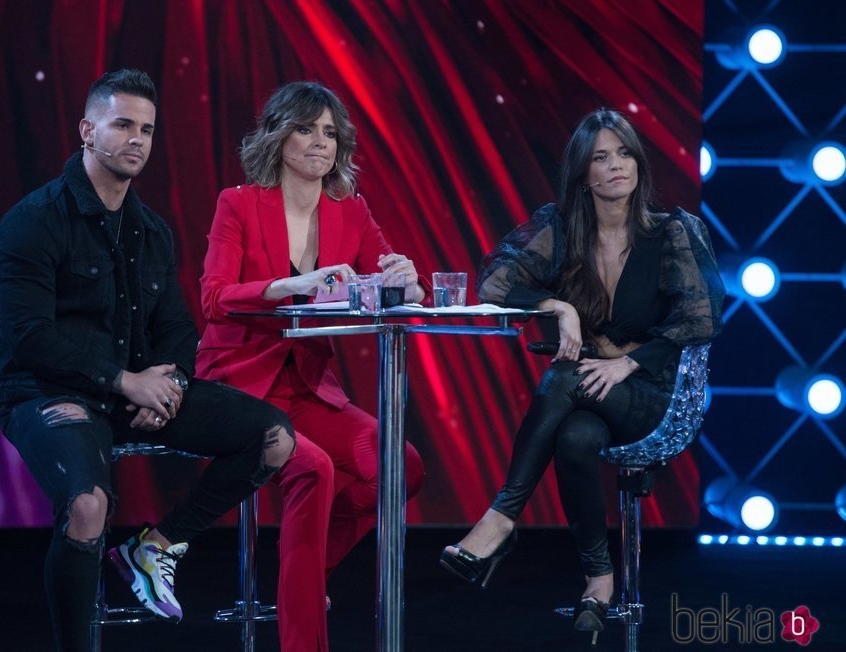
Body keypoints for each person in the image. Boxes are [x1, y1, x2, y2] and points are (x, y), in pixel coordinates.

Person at [0, 69, 295, 651]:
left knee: (275, 438)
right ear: (87, 130)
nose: (137, 140)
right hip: (46, 390)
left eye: (147, 130)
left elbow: (176, 326)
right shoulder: (33, 221)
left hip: (132, 389)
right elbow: (27, 336)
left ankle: (155, 546)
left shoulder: (151, 229)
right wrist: (125, 381)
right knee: (86, 504)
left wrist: (170, 384)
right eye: (123, 124)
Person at [439, 108, 723, 638]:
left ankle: (501, 518)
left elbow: (703, 317)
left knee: (566, 375)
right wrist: (558, 307)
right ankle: (598, 579)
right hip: (593, 395)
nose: (616, 165)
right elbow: (494, 282)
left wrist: (628, 362)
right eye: (600, 157)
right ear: (583, 174)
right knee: (573, 438)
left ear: (638, 162)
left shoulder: (674, 232)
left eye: (624, 153)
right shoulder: (561, 228)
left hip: (657, 397)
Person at [197, 81, 428, 651]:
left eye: (330, 132)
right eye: (306, 128)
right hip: (240, 383)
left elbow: (394, 288)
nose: (320, 142)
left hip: (307, 387)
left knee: (401, 465)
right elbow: (214, 296)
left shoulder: (351, 212)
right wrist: (292, 285)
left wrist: (408, 280)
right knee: (316, 470)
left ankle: (306, 572)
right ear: (278, 135)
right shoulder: (240, 202)